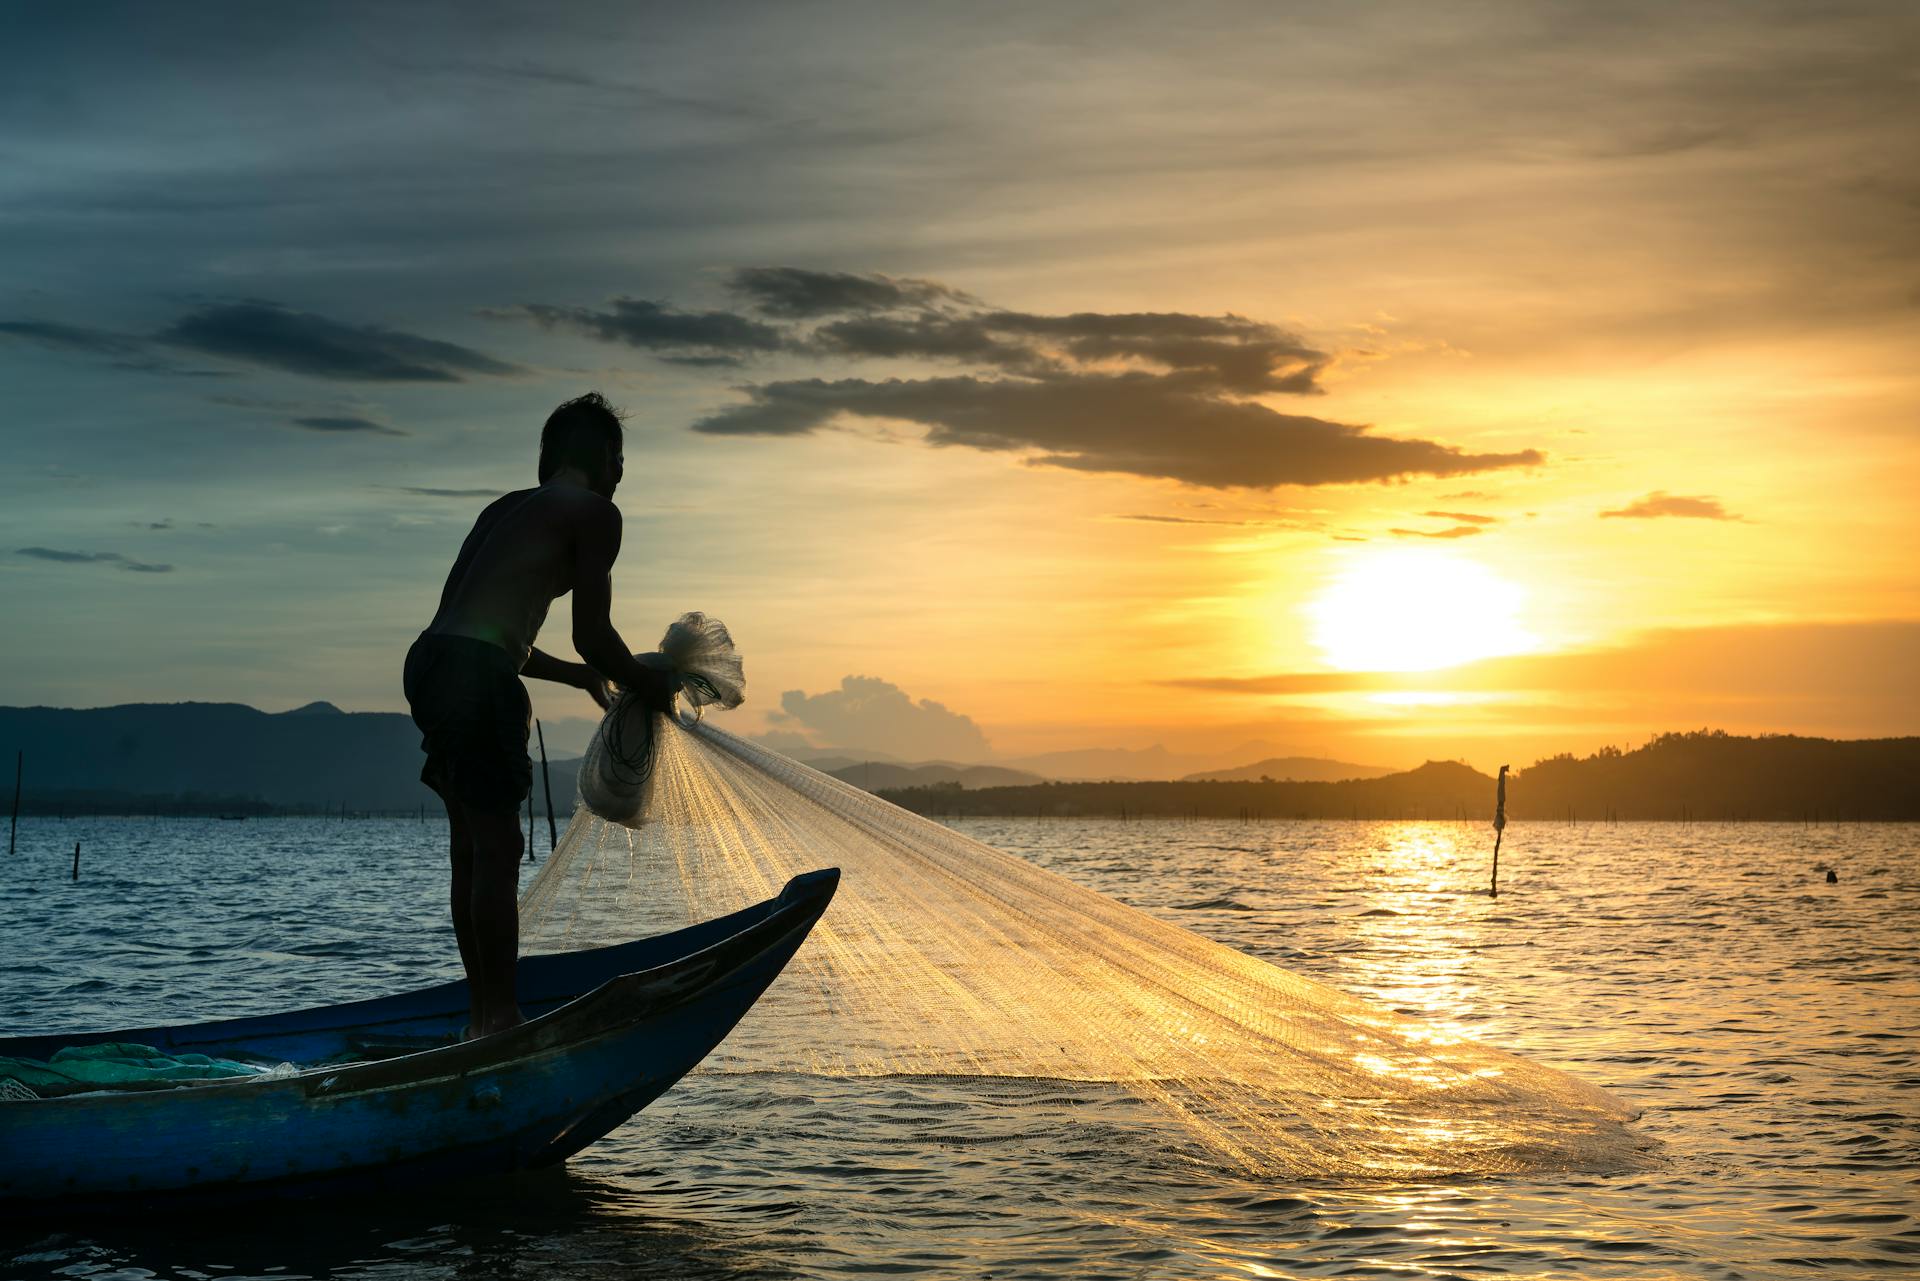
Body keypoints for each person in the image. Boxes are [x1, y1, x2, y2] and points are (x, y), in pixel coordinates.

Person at [403, 392, 672, 1038]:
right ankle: (497, 1019)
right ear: (606, 459)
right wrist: (648, 682)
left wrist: (577, 676)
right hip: (476, 674)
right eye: (620, 459)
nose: (621, 473)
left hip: (430, 664)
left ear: (548, 456)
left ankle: (480, 1017)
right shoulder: (597, 514)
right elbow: (592, 634)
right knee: (498, 849)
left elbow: (479, 630)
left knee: (470, 849)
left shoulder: (502, 509)